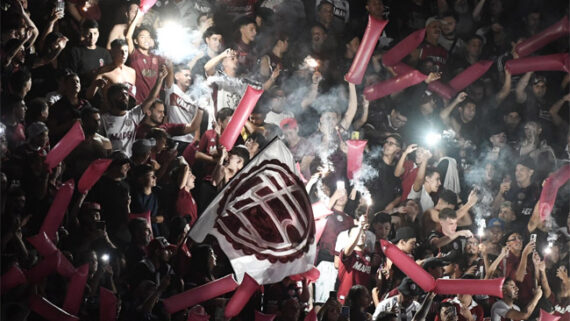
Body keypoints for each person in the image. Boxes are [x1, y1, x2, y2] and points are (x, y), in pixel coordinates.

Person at [101, 65, 167, 155]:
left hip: (130, 163)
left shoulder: (133, 115)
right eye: (121, 95)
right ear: (112, 98)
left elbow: (151, 98)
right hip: (112, 165)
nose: (125, 98)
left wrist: (160, 79)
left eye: (126, 95)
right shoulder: (103, 120)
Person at [64, 19, 111, 88]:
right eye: (89, 34)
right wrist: (87, 75)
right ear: (83, 34)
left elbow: (110, 72)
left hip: (100, 91)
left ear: (98, 34)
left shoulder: (104, 53)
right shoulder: (76, 51)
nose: (92, 37)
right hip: (82, 90)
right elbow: (70, 75)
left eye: (95, 33)